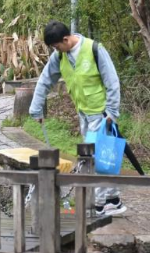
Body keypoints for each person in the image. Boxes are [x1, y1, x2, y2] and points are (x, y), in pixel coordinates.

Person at [29, 20, 126, 216]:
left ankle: (97, 204)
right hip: (84, 113)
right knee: (105, 157)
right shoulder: (59, 56)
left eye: (57, 46)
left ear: (66, 39)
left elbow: (112, 81)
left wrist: (112, 112)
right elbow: (45, 80)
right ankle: (113, 200)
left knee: (96, 158)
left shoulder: (94, 49)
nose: (56, 50)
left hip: (101, 114)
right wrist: (36, 109)